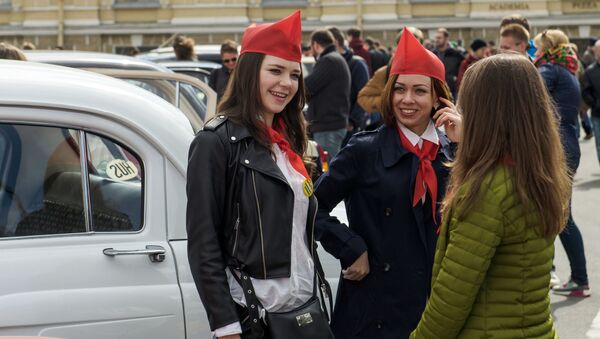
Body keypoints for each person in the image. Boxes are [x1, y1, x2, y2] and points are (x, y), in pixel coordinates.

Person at [186, 11, 329, 339]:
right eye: (275, 71)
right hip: (253, 319)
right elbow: (203, 242)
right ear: (250, 71)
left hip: (303, 312)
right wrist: (226, 326)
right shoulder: (215, 142)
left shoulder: (288, 140)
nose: (286, 84)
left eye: (294, 74)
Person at [409, 52, 571, 339]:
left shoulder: (486, 191)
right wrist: (469, 141)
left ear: (486, 113)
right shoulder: (538, 174)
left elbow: (452, 299)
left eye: (466, 104)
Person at [314, 27, 462, 339]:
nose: (407, 100)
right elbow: (311, 207)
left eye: (420, 91)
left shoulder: (454, 151)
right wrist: (350, 247)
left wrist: (466, 144)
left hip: (439, 307)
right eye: (399, 89)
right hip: (374, 308)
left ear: (438, 98)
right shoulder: (363, 149)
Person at [533, 29, 591, 297]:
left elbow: (528, 92)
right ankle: (576, 278)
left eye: (537, 46)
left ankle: (579, 279)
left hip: (556, 147)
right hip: (568, 144)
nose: (536, 51)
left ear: (548, 47)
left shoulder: (550, 69)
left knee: (560, 218)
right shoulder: (567, 69)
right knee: (560, 216)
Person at [305, 29, 351, 160]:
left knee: (327, 170)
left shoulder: (328, 61)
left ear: (316, 45)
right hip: (332, 124)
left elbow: (307, 86)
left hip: (328, 126)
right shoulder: (335, 58)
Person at [327, 26, 369, 141]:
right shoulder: (327, 64)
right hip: (328, 126)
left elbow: (363, 95)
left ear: (335, 42)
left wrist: (352, 121)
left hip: (349, 128)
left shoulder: (357, 64)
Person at [582, 39, 600, 166]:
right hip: (597, 114)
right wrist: (594, 103)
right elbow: (585, 91)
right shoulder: (590, 71)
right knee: (599, 143)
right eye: (598, 52)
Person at [433, 27, 464, 99]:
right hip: (436, 90)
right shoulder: (432, 54)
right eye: (436, 38)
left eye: (439, 38)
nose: (437, 40)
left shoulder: (456, 54)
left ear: (446, 39)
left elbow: (462, 70)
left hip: (452, 90)